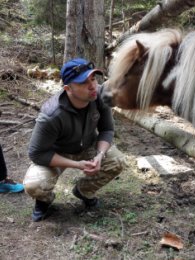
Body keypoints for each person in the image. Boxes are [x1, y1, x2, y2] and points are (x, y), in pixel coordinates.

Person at [23, 58, 126, 222]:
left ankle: (83, 191)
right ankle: (44, 201)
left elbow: (107, 129)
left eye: (93, 78)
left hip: (88, 146)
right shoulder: (51, 115)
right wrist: (76, 165)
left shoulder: (99, 95)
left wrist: (99, 155)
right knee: (34, 185)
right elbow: (36, 153)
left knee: (117, 161)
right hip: (59, 153)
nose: (92, 85)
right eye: (83, 82)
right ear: (68, 88)